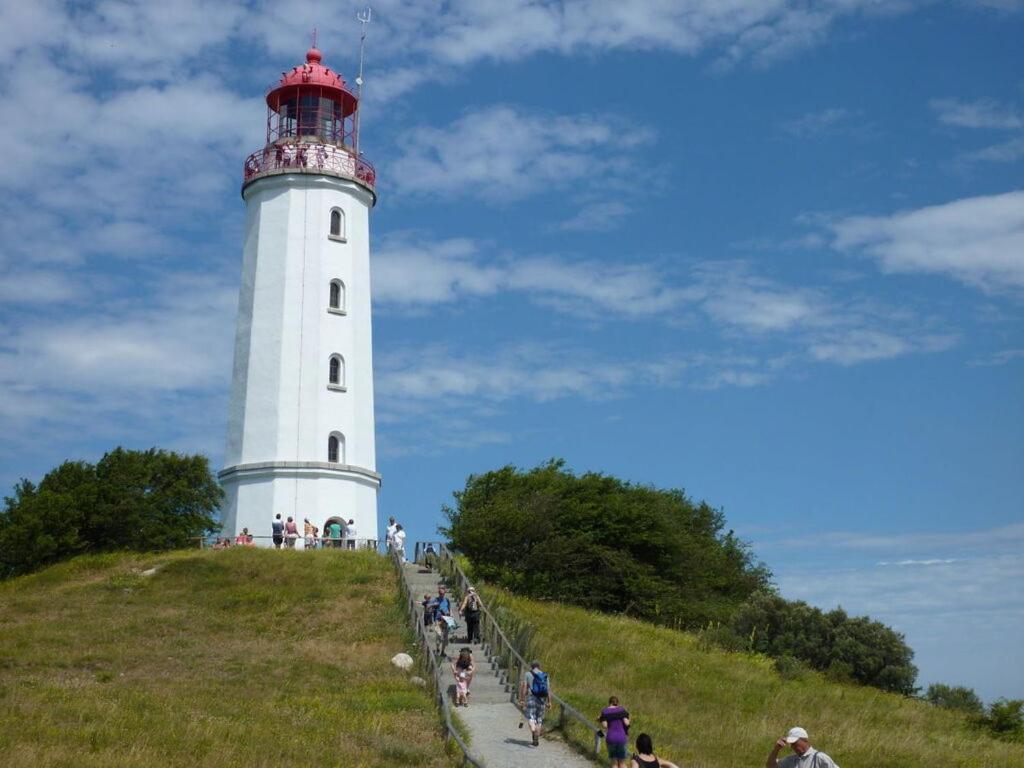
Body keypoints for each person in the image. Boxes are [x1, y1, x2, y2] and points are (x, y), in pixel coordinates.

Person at [766, 727, 839, 768]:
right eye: (791, 743)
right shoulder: (790, 760)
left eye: (795, 743)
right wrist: (776, 749)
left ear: (805, 740)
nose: (793, 746)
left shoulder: (820, 758)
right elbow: (771, 767)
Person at [518, 660, 550, 747]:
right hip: (542, 699)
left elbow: (524, 687)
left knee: (531, 717)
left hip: (531, 698)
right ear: (539, 666)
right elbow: (548, 690)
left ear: (531, 667)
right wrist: (549, 702)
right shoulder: (544, 675)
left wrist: (522, 699)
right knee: (539, 719)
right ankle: (537, 736)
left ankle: (533, 731)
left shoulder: (528, 674)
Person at [600, 696, 631, 768]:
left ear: (609, 702)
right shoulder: (622, 710)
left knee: (614, 763)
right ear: (617, 703)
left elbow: (605, 726)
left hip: (611, 738)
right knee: (622, 763)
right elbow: (627, 723)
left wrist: (600, 719)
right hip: (622, 738)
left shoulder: (605, 711)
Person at [433, 585, 452, 657]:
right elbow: (433, 608)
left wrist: (451, 615)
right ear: (438, 593)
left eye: (443, 593)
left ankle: (443, 651)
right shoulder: (435, 600)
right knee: (438, 635)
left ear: (444, 593)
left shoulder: (447, 600)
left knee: (445, 637)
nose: (441, 595)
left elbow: (449, 608)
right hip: (438, 620)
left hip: (447, 619)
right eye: (440, 593)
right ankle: (437, 648)